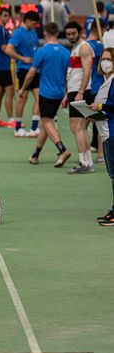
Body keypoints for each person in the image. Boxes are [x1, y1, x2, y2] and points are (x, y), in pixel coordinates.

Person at [19, 22, 71, 167]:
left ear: (44, 33)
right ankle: (36, 154)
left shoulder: (41, 51)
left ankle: (63, 150)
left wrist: (23, 89)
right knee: (45, 124)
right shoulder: (66, 52)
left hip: (47, 93)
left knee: (47, 122)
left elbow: (30, 74)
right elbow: (69, 74)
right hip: (60, 93)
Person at [63, 21, 95, 174]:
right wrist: (66, 94)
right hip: (74, 91)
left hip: (80, 91)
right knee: (79, 127)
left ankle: (84, 162)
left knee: (76, 127)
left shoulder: (84, 47)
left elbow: (87, 71)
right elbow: (72, 73)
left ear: (80, 32)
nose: (70, 37)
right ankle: (87, 161)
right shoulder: (75, 48)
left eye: (73, 34)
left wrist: (81, 92)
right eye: (68, 34)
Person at [88, 47, 114, 225]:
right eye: (103, 59)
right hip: (106, 132)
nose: (105, 62)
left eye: (109, 59)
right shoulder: (106, 81)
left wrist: (99, 108)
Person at [5, 10, 41, 137]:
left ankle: (34, 128)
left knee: (39, 97)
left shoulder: (33, 31)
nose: (35, 26)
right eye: (34, 23)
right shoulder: (18, 33)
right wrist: (22, 58)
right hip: (24, 70)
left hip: (36, 69)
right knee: (22, 98)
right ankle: (18, 128)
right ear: (28, 21)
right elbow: (8, 50)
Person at [0, 7, 15, 128]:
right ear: (0, 16)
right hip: (1, 65)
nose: (6, 18)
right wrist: (18, 56)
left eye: (8, 16)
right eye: (4, 15)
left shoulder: (4, 30)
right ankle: (11, 120)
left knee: (0, 91)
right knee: (10, 91)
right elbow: (4, 48)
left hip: (2, 64)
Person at [87, 20, 106, 163]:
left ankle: (85, 155)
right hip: (97, 88)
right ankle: (100, 155)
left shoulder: (83, 45)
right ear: (101, 29)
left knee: (82, 124)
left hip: (86, 88)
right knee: (100, 122)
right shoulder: (99, 47)